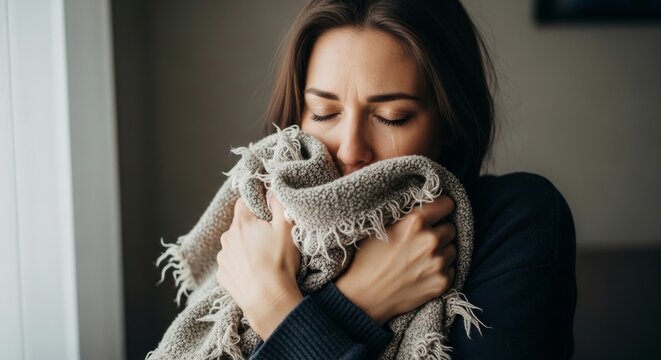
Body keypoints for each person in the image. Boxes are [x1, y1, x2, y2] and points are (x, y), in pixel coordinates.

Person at [215, 0, 576, 359]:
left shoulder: (517, 221)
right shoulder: (257, 227)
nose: (350, 150)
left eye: (392, 117)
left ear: (450, 121)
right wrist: (364, 299)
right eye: (324, 113)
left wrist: (275, 307)